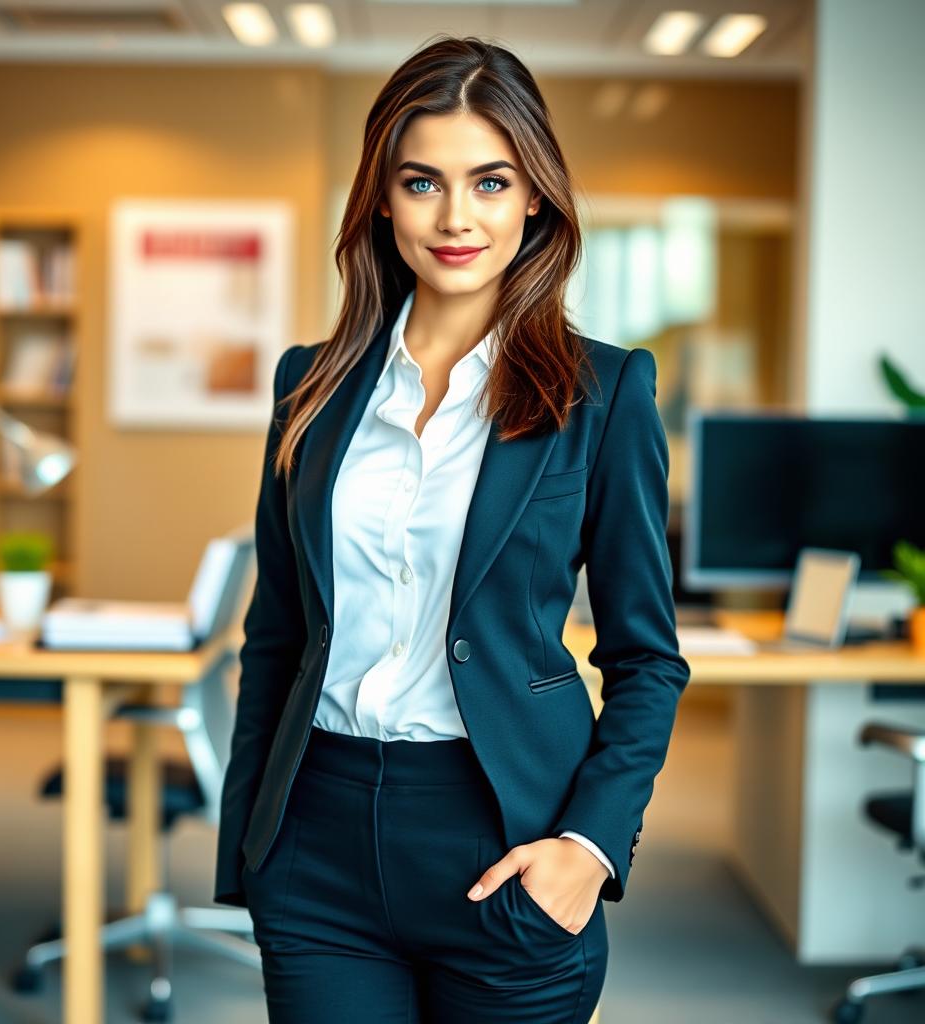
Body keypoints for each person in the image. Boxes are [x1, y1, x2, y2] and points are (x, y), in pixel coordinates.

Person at [214, 33, 691, 1023]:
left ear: (533, 198)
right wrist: (251, 850)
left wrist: (586, 848)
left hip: (505, 837)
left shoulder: (602, 392)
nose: (456, 216)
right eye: (422, 182)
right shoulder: (312, 385)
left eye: (489, 180)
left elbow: (647, 657)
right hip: (317, 846)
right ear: (381, 200)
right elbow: (277, 637)